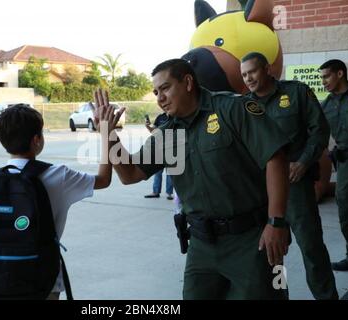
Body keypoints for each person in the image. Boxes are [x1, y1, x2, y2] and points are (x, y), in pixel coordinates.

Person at [94, 59, 291, 300]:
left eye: (165, 88)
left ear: (187, 82)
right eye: (156, 92)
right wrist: (108, 133)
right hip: (201, 245)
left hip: (252, 240)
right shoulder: (168, 134)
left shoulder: (232, 108)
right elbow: (130, 174)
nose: (159, 98)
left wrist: (277, 222)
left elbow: (276, 158)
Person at [240, 52, 338, 300]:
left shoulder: (296, 92)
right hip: (261, 191)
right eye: (244, 74)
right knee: (273, 253)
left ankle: (327, 296)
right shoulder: (243, 105)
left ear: (267, 69)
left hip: (296, 187)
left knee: (311, 248)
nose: (248, 78)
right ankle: (279, 295)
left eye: (252, 71)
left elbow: (319, 131)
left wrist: (304, 162)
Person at [0, 104, 116, 299]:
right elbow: (104, 179)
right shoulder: (58, 176)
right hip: (42, 278)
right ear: (37, 140)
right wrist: (106, 134)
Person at [319, 59, 348, 271]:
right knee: (347, 211)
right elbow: (315, 133)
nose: (323, 81)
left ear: (340, 74)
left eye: (326, 76)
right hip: (346, 164)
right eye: (322, 77)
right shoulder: (326, 105)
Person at [144, 112, 174, 200]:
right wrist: (147, 126)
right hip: (159, 149)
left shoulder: (176, 116)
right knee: (157, 172)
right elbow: (153, 131)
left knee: (170, 173)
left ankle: (169, 193)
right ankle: (155, 192)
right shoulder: (160, 117)